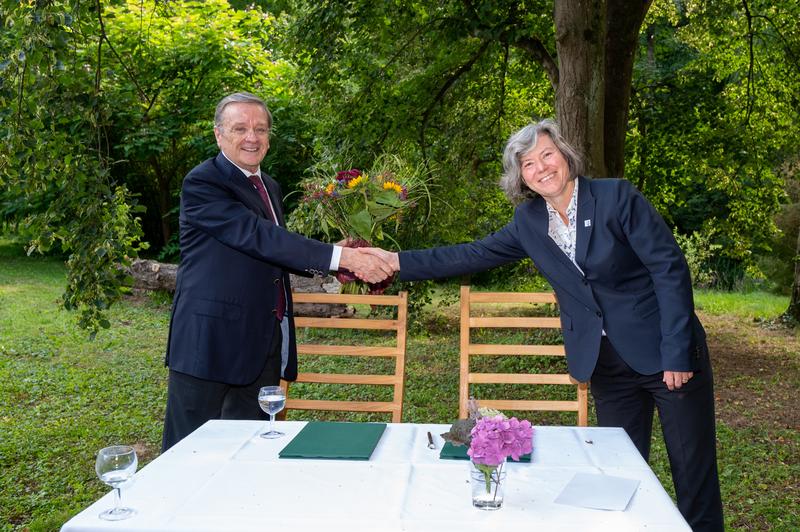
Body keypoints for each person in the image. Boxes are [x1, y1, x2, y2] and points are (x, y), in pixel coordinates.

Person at [365, 119, 723, 531]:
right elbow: (469, 254)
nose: (542, 168)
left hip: (666, 356)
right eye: (529, 164)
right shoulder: (528, 222)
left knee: (693, 476)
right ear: (521, 178)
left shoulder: (617, 197)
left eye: (547, 155)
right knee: (619, 474)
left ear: (565, 156)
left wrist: (677, 352)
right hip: (605, 365)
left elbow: (670, 270)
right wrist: (395, 261)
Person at [162, 92, 393, 451]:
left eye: (260, 129)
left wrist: (336, 260)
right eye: (240, 128)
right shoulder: (203, 183)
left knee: (250, 451)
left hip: (261, 341)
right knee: (188, 454)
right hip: (208, 344)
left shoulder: (268, 185)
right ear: (218, 135)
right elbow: (258, 236)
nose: (251, 137)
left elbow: (274, 249)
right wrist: (341, 259)